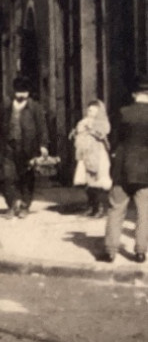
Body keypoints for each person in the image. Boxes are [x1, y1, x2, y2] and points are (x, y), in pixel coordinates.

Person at [0, 75, 50, 218]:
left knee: (26, 178)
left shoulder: (35, 107)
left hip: (28, 148)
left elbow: (42, 128)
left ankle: (24, 207)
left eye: (24, 91)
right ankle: (12, 204)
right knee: (6, 176)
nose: (21, 94)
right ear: (14, 91)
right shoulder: (6, 106)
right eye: (19, 91)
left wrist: (43, 145)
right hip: (7, 146)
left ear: (28, 92)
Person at [105, 77, 148, 264]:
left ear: (134, 94)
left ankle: (111, 250)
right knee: (144, 212)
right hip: (146, 171)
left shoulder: (122, 112)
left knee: (116, 209)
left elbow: (113, 141)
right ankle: (140, 251)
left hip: (122, 169)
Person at [71, 99, 113, 218]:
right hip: (85, 154)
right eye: (89, 111)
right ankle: (91, 206)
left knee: (97, 181)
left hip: (98, 154)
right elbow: (79, 132)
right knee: (87, 181)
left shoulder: (103, 123)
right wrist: (76, 132)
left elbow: (102, 134)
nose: (90, 113)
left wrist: (91, 129)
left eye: (93, 111)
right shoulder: (83, 121)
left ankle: (100, 207)